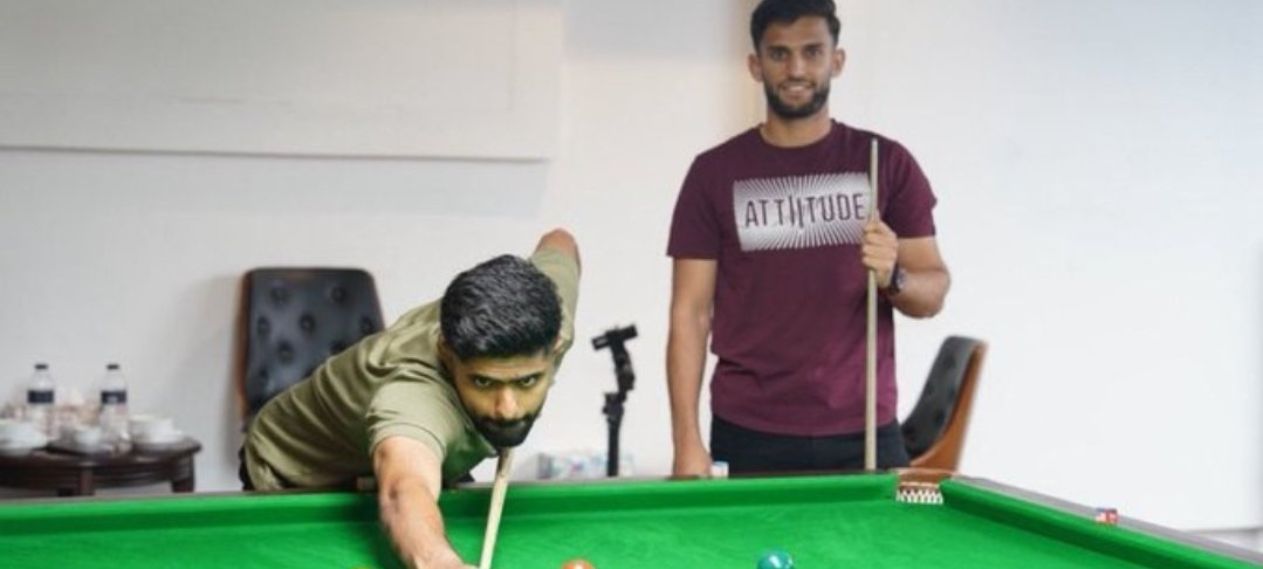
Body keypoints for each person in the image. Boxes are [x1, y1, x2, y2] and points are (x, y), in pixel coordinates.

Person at [666, 0, 950, 477]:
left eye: (812, 52)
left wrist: (893, 275)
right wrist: (686, 440)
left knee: (878, 556)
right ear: (755, 66)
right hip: (749, 429)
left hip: (862, 431)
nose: (796, 69)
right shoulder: (714, 173)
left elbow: (933, 293)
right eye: (779, 54)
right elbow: (689, 314)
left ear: (836, 60)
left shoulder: (886, 162)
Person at [241, 229, 580, 569]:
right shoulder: (414, 395)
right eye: (482, 381)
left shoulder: (551, 321)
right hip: (301, 472)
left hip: (399, 454)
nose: (508, 408)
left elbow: (559, 241)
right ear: (447, 356)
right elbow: (403, 489)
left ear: (554, 349)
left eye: (527, 381)